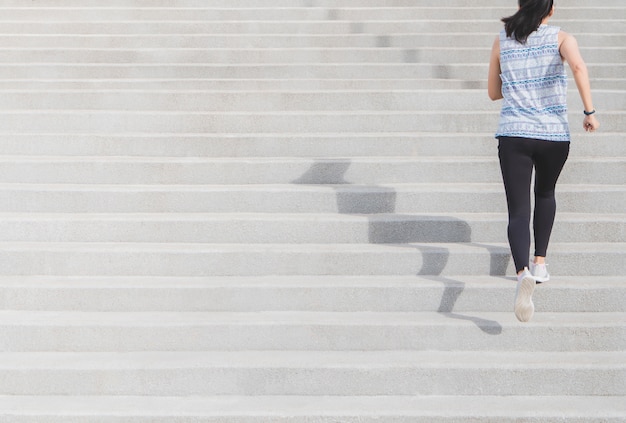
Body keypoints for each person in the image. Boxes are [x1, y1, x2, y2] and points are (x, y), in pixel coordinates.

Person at [487, 0, 599, 322]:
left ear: (520, 5)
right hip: (553, 134)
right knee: (546, 194)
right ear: (549, 10)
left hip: (514, 134)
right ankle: (540, 263)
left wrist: (519, 83)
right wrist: (589, 112)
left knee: (518, 210)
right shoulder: (562, 39)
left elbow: (494, 92)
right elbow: (578, 67)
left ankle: (522, 272)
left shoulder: (501, 39)